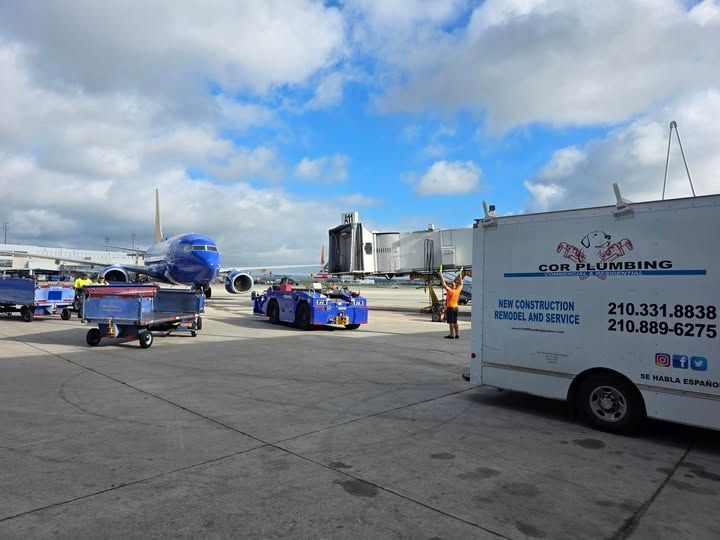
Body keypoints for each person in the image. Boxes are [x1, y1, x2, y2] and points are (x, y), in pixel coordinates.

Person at [439, 267, 464, 339]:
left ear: (451, 286)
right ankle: (457, 334)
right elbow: (461, 284)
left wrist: (441, 275)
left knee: (451, 322)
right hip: (456, 307)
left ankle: (451, 335)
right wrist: (460, 276)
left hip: (450, 308)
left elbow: (443, 284)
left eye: (450, 285)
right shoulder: (457, 290)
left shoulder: (450, 291)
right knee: (455, 322)